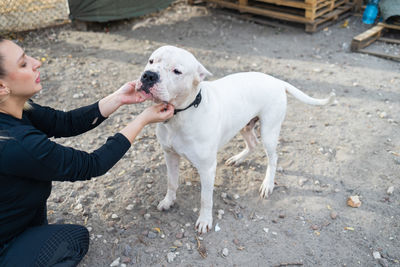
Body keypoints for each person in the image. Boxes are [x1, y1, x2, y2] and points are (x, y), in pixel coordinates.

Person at [0, 37, 174, 266]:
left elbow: (65, 122)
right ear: (2, 87)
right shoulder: (15, 142)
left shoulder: (17, 108)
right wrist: (142, 120)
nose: (36, 63)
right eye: (23, 64)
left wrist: (119, 98)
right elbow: (93, 164)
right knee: (74, 238)